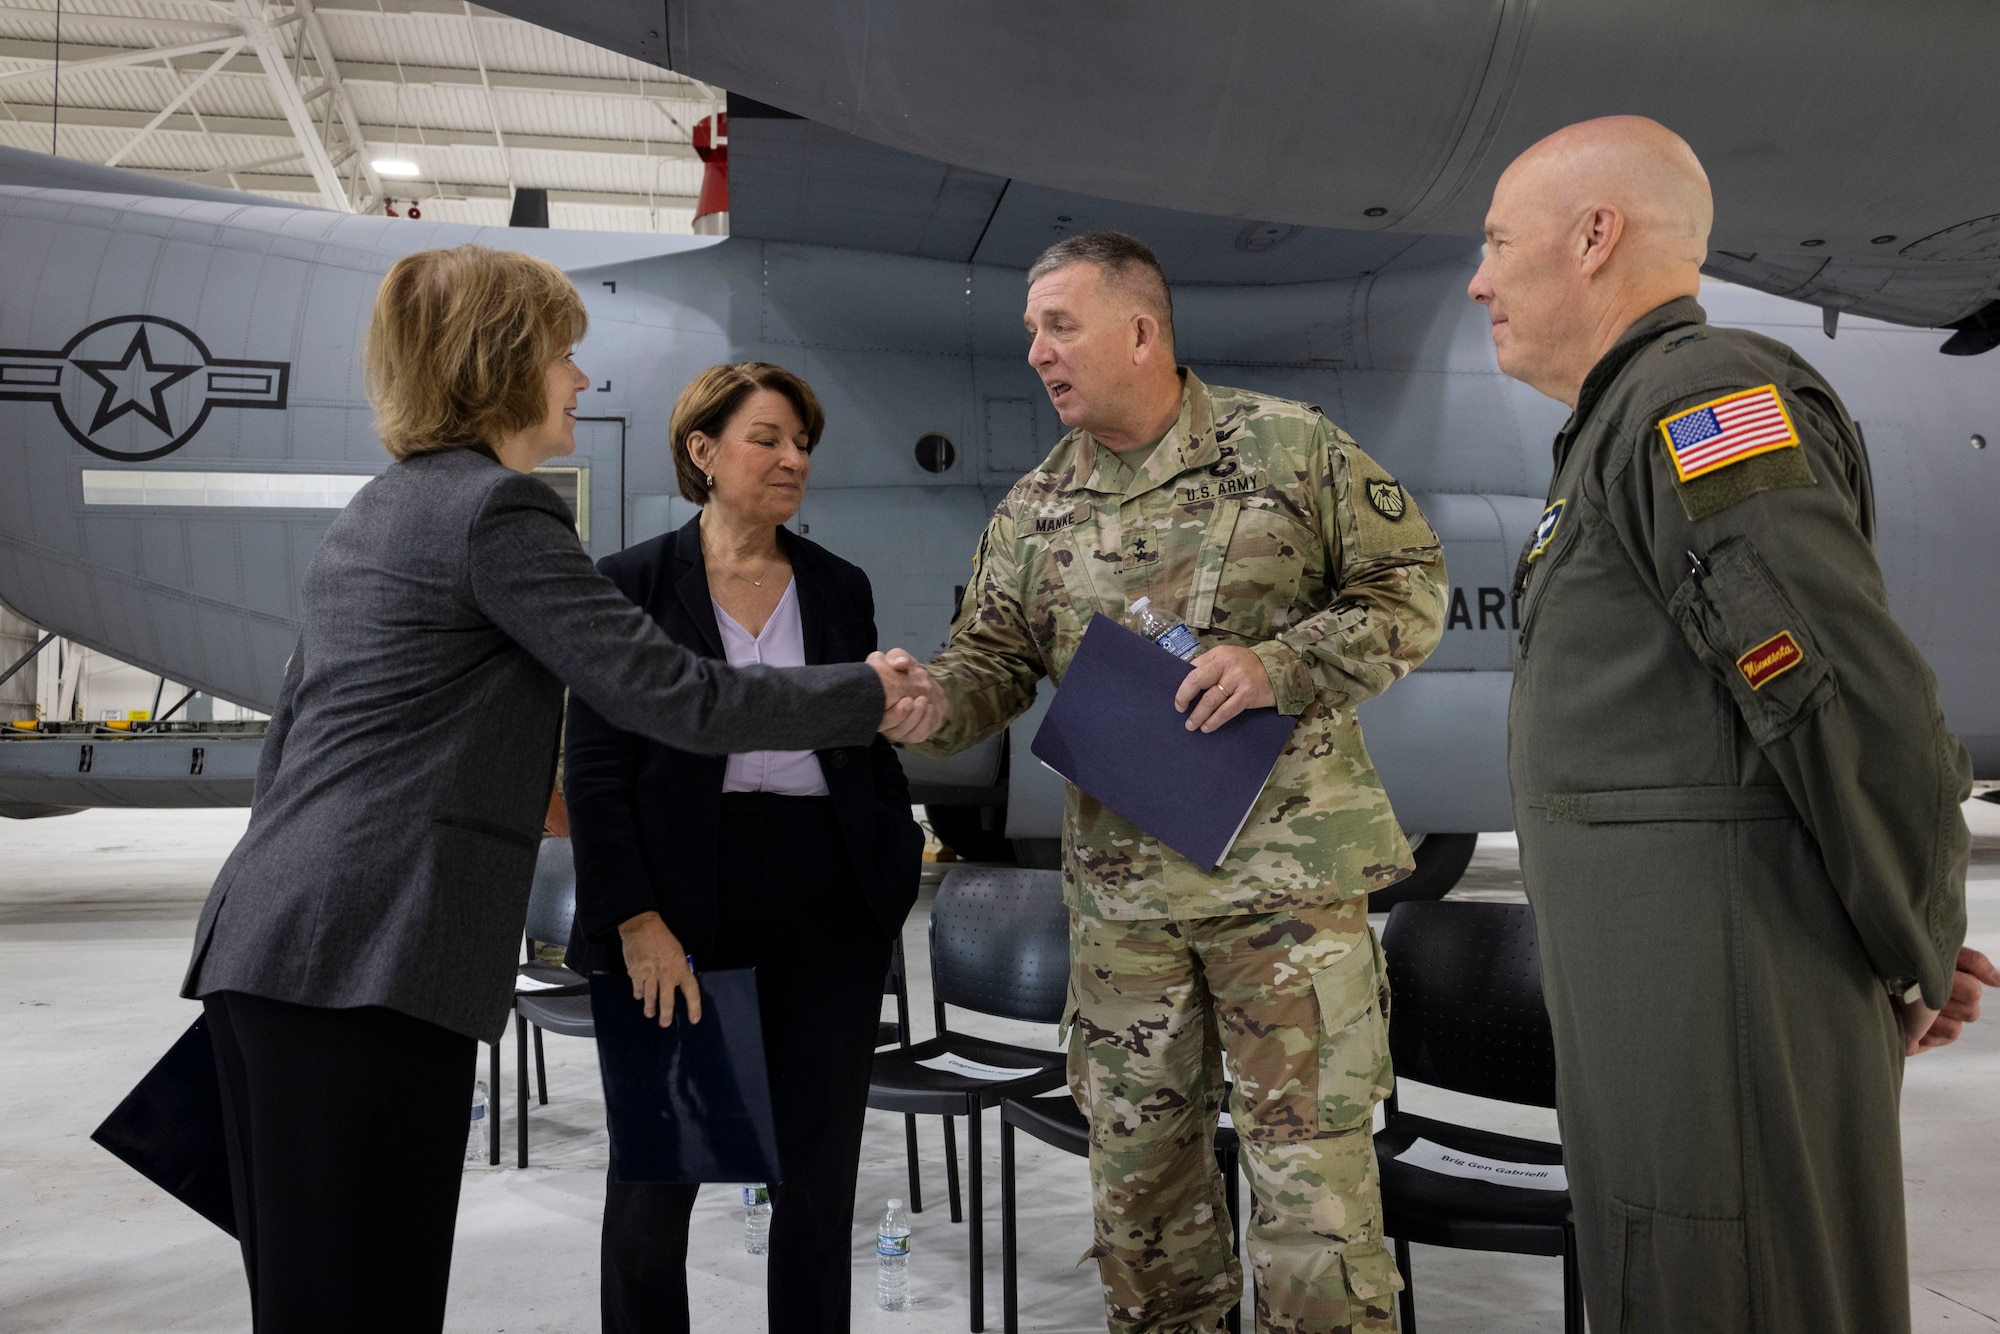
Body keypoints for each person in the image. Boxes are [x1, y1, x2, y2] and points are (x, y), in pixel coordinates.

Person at [178, 246, 944, 1333]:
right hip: (369, 958)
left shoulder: (383, 504)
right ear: (501, 363)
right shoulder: (498, 512)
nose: (580, 380)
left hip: (277, 942)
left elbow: (299, 729)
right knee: (364, 1295)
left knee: (321, 1296)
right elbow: (670, 697)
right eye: (563, 355)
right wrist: (861, 694)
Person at [1470, 116, 2000, 1334]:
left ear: (1594, 235)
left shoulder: (1700, 398)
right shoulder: (1621, 422)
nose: (1480, 276)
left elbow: (1839, 689)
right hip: (1670, 1018)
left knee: (1740, 1289)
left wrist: (1914, 935)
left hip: (1724, 1014)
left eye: (1500, 242)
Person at [902, 231, 1447, 1332]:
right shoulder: (1032, 507)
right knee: (1143, 1204)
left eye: (1059, 326)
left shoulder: (1287, 450)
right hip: (1125, 915)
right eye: (1028, 334)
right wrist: (929, 702)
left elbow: (1410, 591)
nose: (1037, 354)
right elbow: (992, 667)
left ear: (1140, 329)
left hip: (1283, 902)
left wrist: (1278, 664)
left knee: (1312, 1204)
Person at [566, 362, 926, 1334]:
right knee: (657, 1188)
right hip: (682, 905)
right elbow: (596, 772)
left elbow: (869, 746)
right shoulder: (628, 585)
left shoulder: (837, 587)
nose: (792, 458)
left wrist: (882, 879)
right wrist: (633, 918)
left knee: (816, 1195)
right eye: (767, 437)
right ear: (702, 450)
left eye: (801, 442)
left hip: (826, 901)